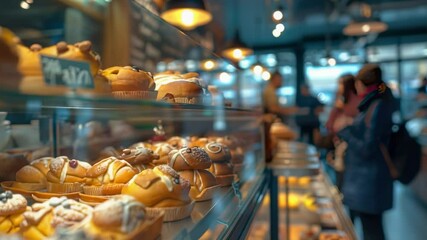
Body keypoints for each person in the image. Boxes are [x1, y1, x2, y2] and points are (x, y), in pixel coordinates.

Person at [337, 64, 397, 240]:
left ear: (361, 84)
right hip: (366, 182)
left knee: (372, 232)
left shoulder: (377, 106)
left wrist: (346, 131)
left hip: (369, 182)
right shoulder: (375, 103)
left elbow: (367, 148)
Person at [324, 74, 362, 191]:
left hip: (351, 148)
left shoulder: (357, 100)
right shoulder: (340, 100)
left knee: (348, 181)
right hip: (338, 145)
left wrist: (341, 108)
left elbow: (355, 117)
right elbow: (329, 125)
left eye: (341, 84)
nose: (339, 87)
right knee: (340, 179)